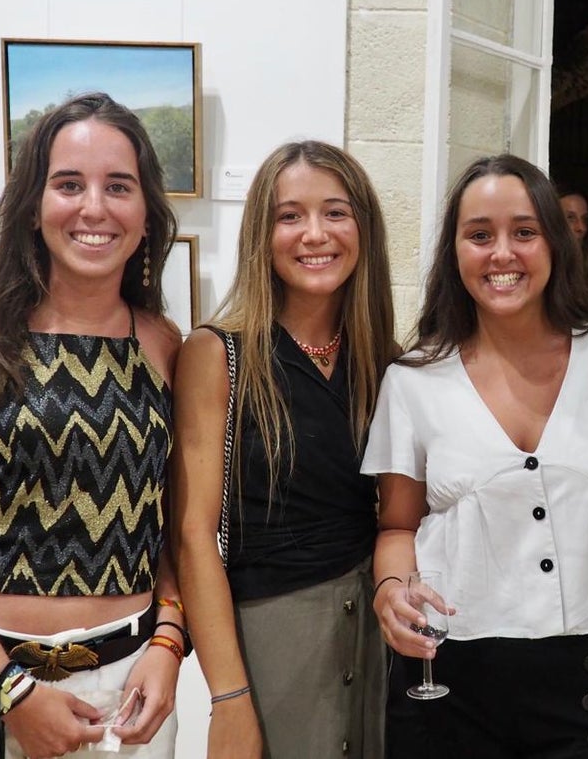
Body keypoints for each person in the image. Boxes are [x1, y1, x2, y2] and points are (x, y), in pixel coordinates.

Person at [363, 154, 588, 759]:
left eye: (524, 231)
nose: (502, 253)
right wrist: (390, 589)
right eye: (479, 235)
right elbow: (398, 525)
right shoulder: (412, 380)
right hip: (448, 677)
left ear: (557, 243)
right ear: (454, 251)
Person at [0, 92, 185, 759]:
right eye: (68, 184)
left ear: (146, 215)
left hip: (123, 696)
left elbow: (179, 531)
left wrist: (169, 643)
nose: (94, 207)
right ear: (32, 204)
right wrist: (11, 692)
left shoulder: (167, 346)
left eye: (118, 186)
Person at [172, 141, 396, 758]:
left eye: (335, 212)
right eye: (289, 215)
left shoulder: (389, 362)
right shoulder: (218, 354)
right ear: (261, 235)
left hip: (380, 632)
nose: (314, 234)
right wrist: (229, 698)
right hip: (271, 637)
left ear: (363, 229)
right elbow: (193, 537)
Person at [557, 184, 588, 308]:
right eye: (570, 218)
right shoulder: (541, 267)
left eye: (585, 219)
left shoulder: (587, 266)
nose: (581, 228)